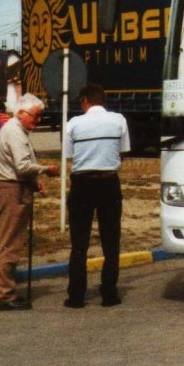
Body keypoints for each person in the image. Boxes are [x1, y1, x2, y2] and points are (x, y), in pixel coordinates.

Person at [0, 94, 58, 311]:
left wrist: (34, 181)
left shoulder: (13, 130)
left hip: (7, 186)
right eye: (35, 117)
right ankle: (4, 295)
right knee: (9, 243)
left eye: (40, 117)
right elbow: (22, 166)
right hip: (12, 189)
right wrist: (46, 169)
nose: (38, 121)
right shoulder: (15, 133)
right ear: (21, 113)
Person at [63, 83, 130, 308]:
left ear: (85, 101)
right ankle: (109, 293)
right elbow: (122, 153)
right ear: (103, 101)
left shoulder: (73, 124)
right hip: (109, 183)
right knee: (111, 241)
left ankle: (76, 295)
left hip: (82, 185)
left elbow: (69, 155)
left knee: (79, 243)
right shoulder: (119, 120)